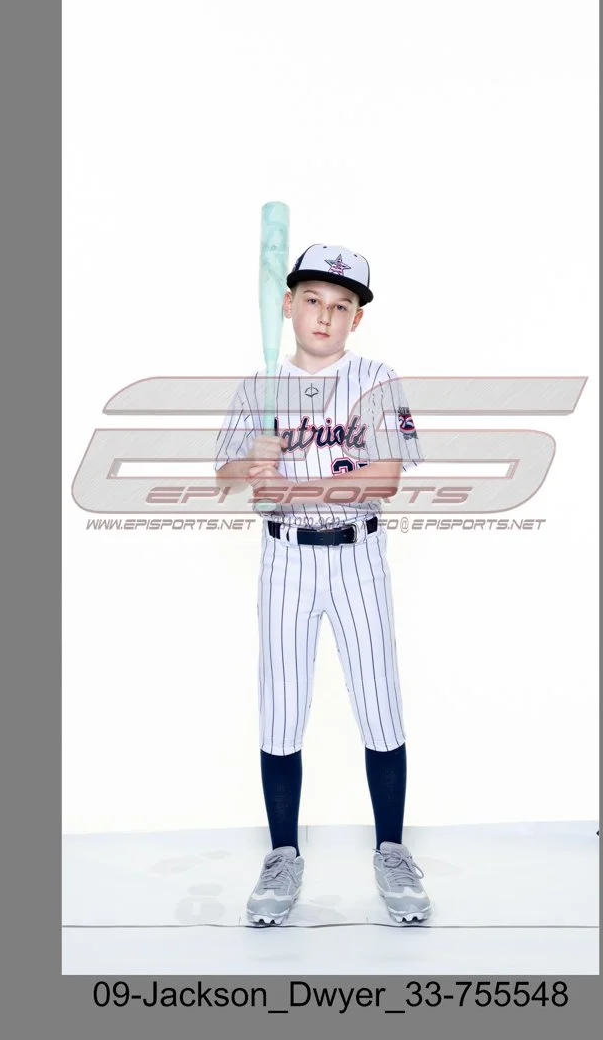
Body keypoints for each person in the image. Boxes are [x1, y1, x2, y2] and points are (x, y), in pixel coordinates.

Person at [215, 243, 431, 926]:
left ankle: (391, 850)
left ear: (355, 319)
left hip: (357, 555)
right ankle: (282, 854)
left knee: (379, 702)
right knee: (281, 707)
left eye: (341, 305)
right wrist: (252, 461)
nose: (325, 314)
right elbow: (224, 476)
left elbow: (385, 479)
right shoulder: (259, 386)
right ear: (288, 305)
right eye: (312, 299)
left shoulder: (376, 379)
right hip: (285, 559)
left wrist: (288, 483)